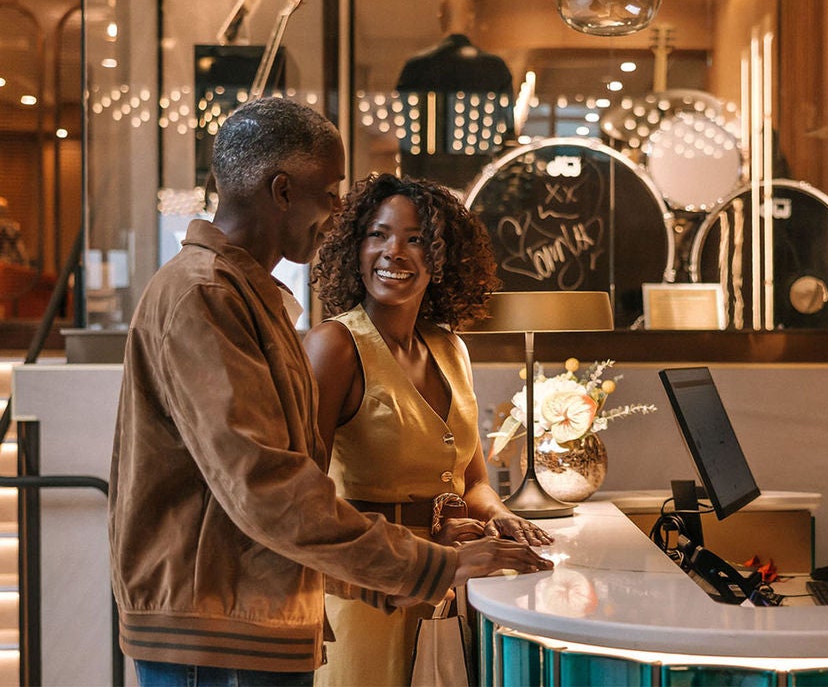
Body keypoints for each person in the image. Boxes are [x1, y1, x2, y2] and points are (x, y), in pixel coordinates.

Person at [109, 97, 552, 687]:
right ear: (282, 191)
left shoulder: (248, 296)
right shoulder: (205, 294)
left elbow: (290, 493)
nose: (338, 209)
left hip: (258, 621)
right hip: (218, 636)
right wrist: (429, 565)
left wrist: (413, 568)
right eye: (331, 192)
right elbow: (268, 489)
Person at [306, 172, 552, 685]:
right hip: (370, 593)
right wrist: (426, 536)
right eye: (377, 234)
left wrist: (501, 517)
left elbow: (473, 481)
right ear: (355, 248)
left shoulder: (451, 347)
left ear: (441, 258)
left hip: (448, 588)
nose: (393, 252)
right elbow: (306, 498)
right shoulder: (335, 346)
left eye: (415, 239)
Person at [395, 0, 514, 189]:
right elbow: (507, 133)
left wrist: (409, 187)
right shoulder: (495, 68)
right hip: (479, 180)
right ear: (471, 19)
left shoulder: (416, 67)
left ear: (440, 18)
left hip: (428, 181)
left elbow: (407, 138)